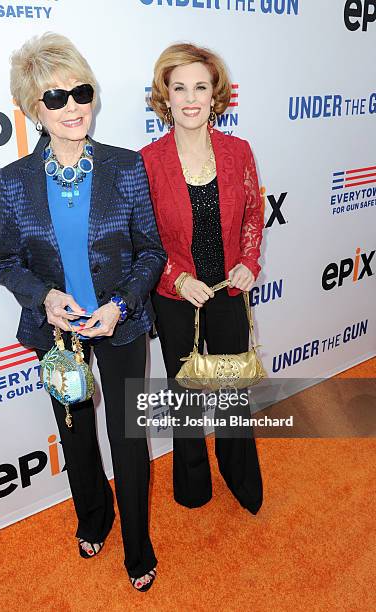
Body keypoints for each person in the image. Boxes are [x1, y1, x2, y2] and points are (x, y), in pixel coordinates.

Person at [0, 32, 166, 592]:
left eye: (81, 91)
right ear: (33, 108)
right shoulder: (14, 181)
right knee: (74, 432)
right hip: (58, 333)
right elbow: (8, 262)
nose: (73, 106)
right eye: (56, 97)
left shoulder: (125, 167)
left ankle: (138, 546)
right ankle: (93, 517)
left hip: (120, 323)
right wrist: (45, 297)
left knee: (128, 436)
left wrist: (120, 304)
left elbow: (151, 252)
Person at [141, 43, 264, 514]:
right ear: (164, 96)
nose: (190, 97)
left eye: (200, 86)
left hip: (229, 292)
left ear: (215, 95)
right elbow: (143, 238)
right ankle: (193, 486)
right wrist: (175, 278)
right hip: (176, 299)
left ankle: (240, 476)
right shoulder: (148, 161)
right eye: (179, 87)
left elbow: (254, 211)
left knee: (233, 394)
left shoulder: (238, 152)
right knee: (186, 395)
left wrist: (249, 262)